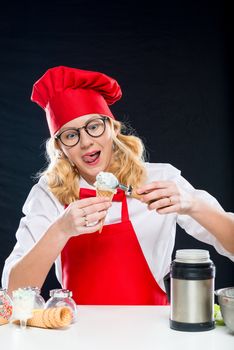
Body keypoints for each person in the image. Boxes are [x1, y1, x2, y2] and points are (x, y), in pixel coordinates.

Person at [1, 66, 234, 305]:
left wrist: (193, 205)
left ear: (111, 127)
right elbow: (12, 293)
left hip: (153, 334)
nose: (86, 142)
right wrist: (60, 230)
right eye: (71, 135)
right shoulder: (50, 193)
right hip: (78, 334)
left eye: (93, 126)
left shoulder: (160, 180)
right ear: (61, 147)